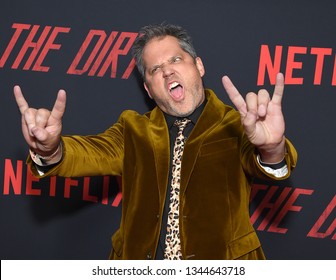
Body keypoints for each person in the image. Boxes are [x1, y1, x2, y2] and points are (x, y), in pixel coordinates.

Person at [14, 23, 297, 260]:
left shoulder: (237, 124)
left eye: (175, 60)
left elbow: (268, 161)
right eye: (154, 69)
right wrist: (49, 148)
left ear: (198, 65)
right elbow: (86, 154)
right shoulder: (133, 129)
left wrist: (272, 147)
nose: (167, 71)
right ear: (148, 89)